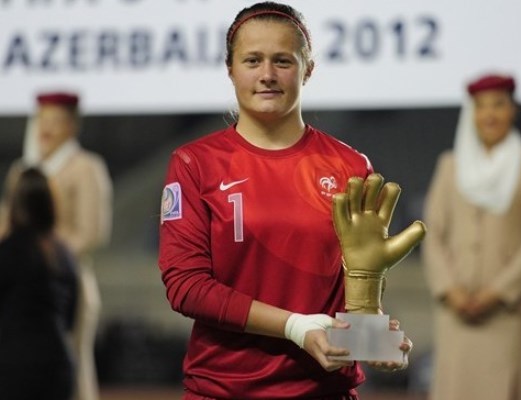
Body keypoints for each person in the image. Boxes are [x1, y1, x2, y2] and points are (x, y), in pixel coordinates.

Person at [158, 2, 414, 399]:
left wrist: (374, 337)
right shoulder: (195, 164)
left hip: (323, 390)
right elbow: (186, 287)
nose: (266, 75)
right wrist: (295, 328)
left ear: (308, 69)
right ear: (230, 69)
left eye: (282, 61)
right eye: (252, 60)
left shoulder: (349, 166)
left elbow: (355, 289)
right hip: (224, 390)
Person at [423, 74, 521, 400]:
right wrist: (450, 289)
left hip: (508, 312)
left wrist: (497, 293)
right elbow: (433, 233)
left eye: (498, 104)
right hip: (457, 311)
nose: (490, 115)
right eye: (481, 107)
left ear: (513, 110)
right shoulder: (450, 165)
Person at [0, 92, 112, 400]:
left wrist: (44, 259)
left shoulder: (87, 167)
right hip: (19, 286)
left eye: (57, 120)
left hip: (64, 280)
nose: (47, 128)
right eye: (42, 120)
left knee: (73, 369)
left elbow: (91, 231)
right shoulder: (22, 169)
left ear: (73, 125)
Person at [0, 168, 78, 400]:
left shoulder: (8, 251)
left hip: (14, 366)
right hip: (60, 363)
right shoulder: (63, 254)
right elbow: (70, 318)